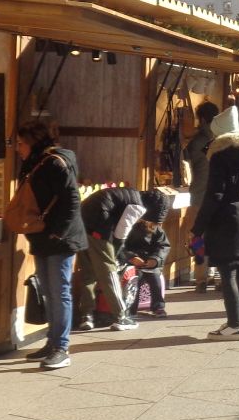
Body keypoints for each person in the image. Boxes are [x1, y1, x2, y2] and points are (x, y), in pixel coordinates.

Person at [15, 118, 87, 371]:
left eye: (21, 143)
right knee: (48, 292)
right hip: (42, 237)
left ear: (34, 141)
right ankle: (52, 341)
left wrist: (58, 233)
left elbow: (72, 201)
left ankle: (61, 347)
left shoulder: (56, 163)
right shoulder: (33, 163)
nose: (18, 148)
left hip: (60, 239)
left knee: (60, 292)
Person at [193, 105, 239, 341]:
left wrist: (198, 227)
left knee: (228, 273)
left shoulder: (220, 157)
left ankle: (234, 325)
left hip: (227, 222)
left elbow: (215, 194)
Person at [74, 184, 173, 331]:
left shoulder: (129, 194)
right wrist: (115, 256)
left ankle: (86, 316)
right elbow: (121, 235)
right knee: (109, 272)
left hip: (82, 222)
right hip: (99, 226)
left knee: (89, 274)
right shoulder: (137, 206)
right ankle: (121, 317)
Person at [183, 101, 220, 291]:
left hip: (199, 196)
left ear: (203, 119)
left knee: (198, 237)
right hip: (219, 197)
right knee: (219, 235)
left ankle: (201, 279)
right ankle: (218, 276)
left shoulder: (197, 142)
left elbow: (184, 165)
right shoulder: (223, 139)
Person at [122, 216, 171, 316]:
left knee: (155, 279)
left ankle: (158, 307)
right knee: (135, 280)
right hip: (132, 263)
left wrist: (155, 259)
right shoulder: (127, 225)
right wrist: (132, 257)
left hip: (150, 263)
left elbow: (163, 245)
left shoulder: (155, 227)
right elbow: (121, 246)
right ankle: (131, 308)